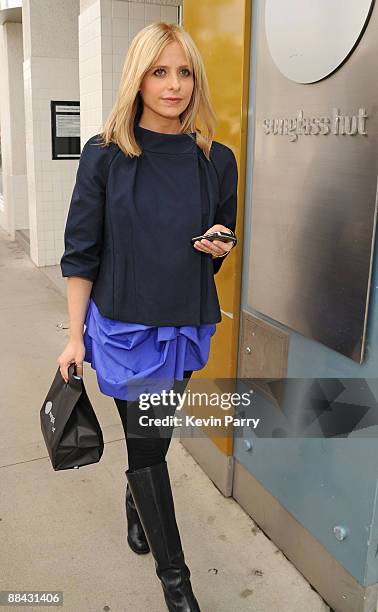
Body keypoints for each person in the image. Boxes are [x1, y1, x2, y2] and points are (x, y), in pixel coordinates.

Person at [57, 21, 238, 612]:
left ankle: (137, 505)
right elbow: (81, 252)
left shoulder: (217, 160)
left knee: (151, 446)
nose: (175, 85)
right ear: (137, 78)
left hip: (184, 326)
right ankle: (177, 585)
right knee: (147, 448)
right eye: (160, 71)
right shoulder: (106, 156)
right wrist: (73, 337)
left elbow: (223, 240)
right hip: (124, 330)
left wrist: (221, 244)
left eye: (184, 72)